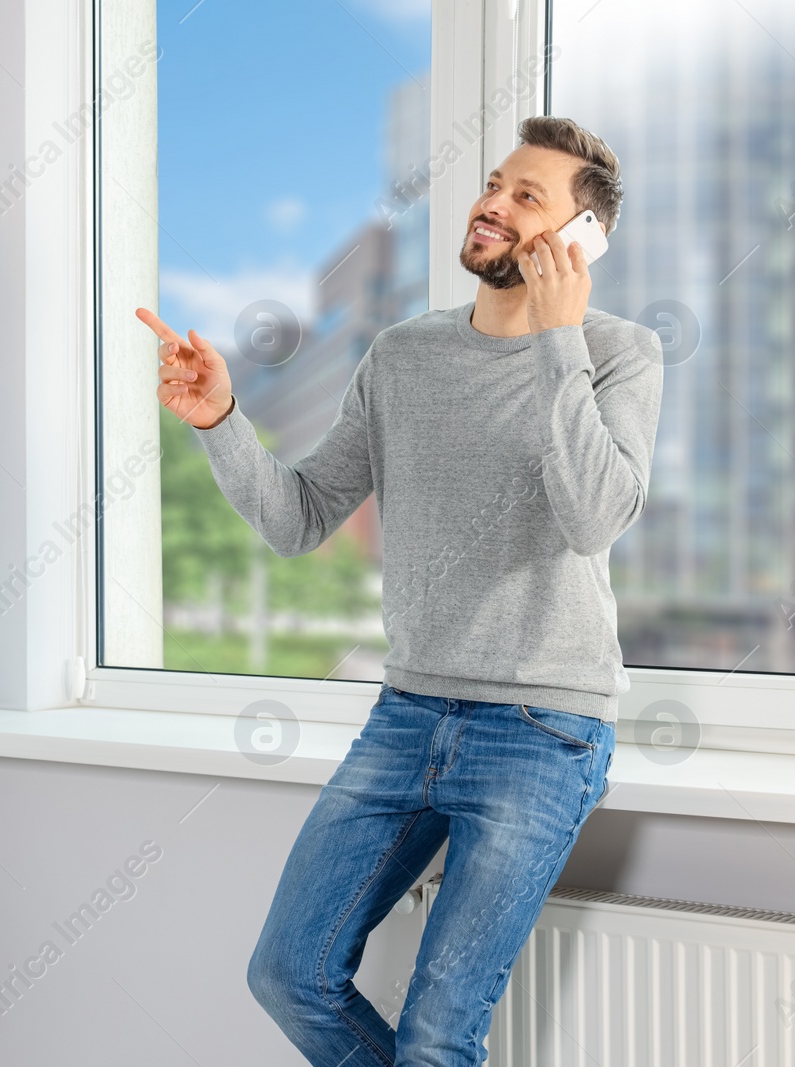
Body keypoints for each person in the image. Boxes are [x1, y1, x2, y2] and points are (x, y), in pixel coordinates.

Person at [134, 116, 663, 1065]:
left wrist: (555, 340)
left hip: (543, 732)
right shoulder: (403, 355)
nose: (493, 202)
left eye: (527, 196)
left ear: (581, 242)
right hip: (407, 714)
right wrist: (220, 418)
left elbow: (595, 515)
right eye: (495, 182)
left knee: (437, 1037)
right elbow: (298, 519)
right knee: (288, 974)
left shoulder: (617, 354)